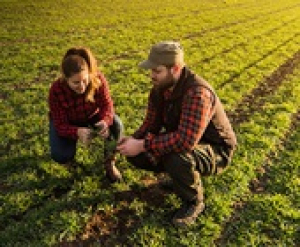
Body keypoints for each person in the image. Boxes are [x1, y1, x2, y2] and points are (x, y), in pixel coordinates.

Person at [117, 41, 237, 227]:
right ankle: (179, 180)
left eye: (157, 71)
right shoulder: (159, 90)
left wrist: (143, 144)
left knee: (176, 155)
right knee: (138, 155)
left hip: (216, 150)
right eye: (151, 71)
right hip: (186, 141)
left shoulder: (197, 93)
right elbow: (150, 124)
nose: (152, 76)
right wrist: (133, 140)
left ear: (175, 69)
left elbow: (184, 141)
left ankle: (194, 202)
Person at [48, 46, 123, 182]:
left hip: (91, 116)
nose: (82, 86)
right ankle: (69, 162)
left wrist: (105, 121)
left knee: (116, 124)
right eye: (76, 82)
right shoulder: (56, 90)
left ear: (89, 73)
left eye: (85, 80)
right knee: (60, 155)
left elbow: (107, 105)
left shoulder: (98, 79)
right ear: (66, 79)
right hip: (69, 122)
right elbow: (59, 124)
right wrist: (76, 132)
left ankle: (109, 162)